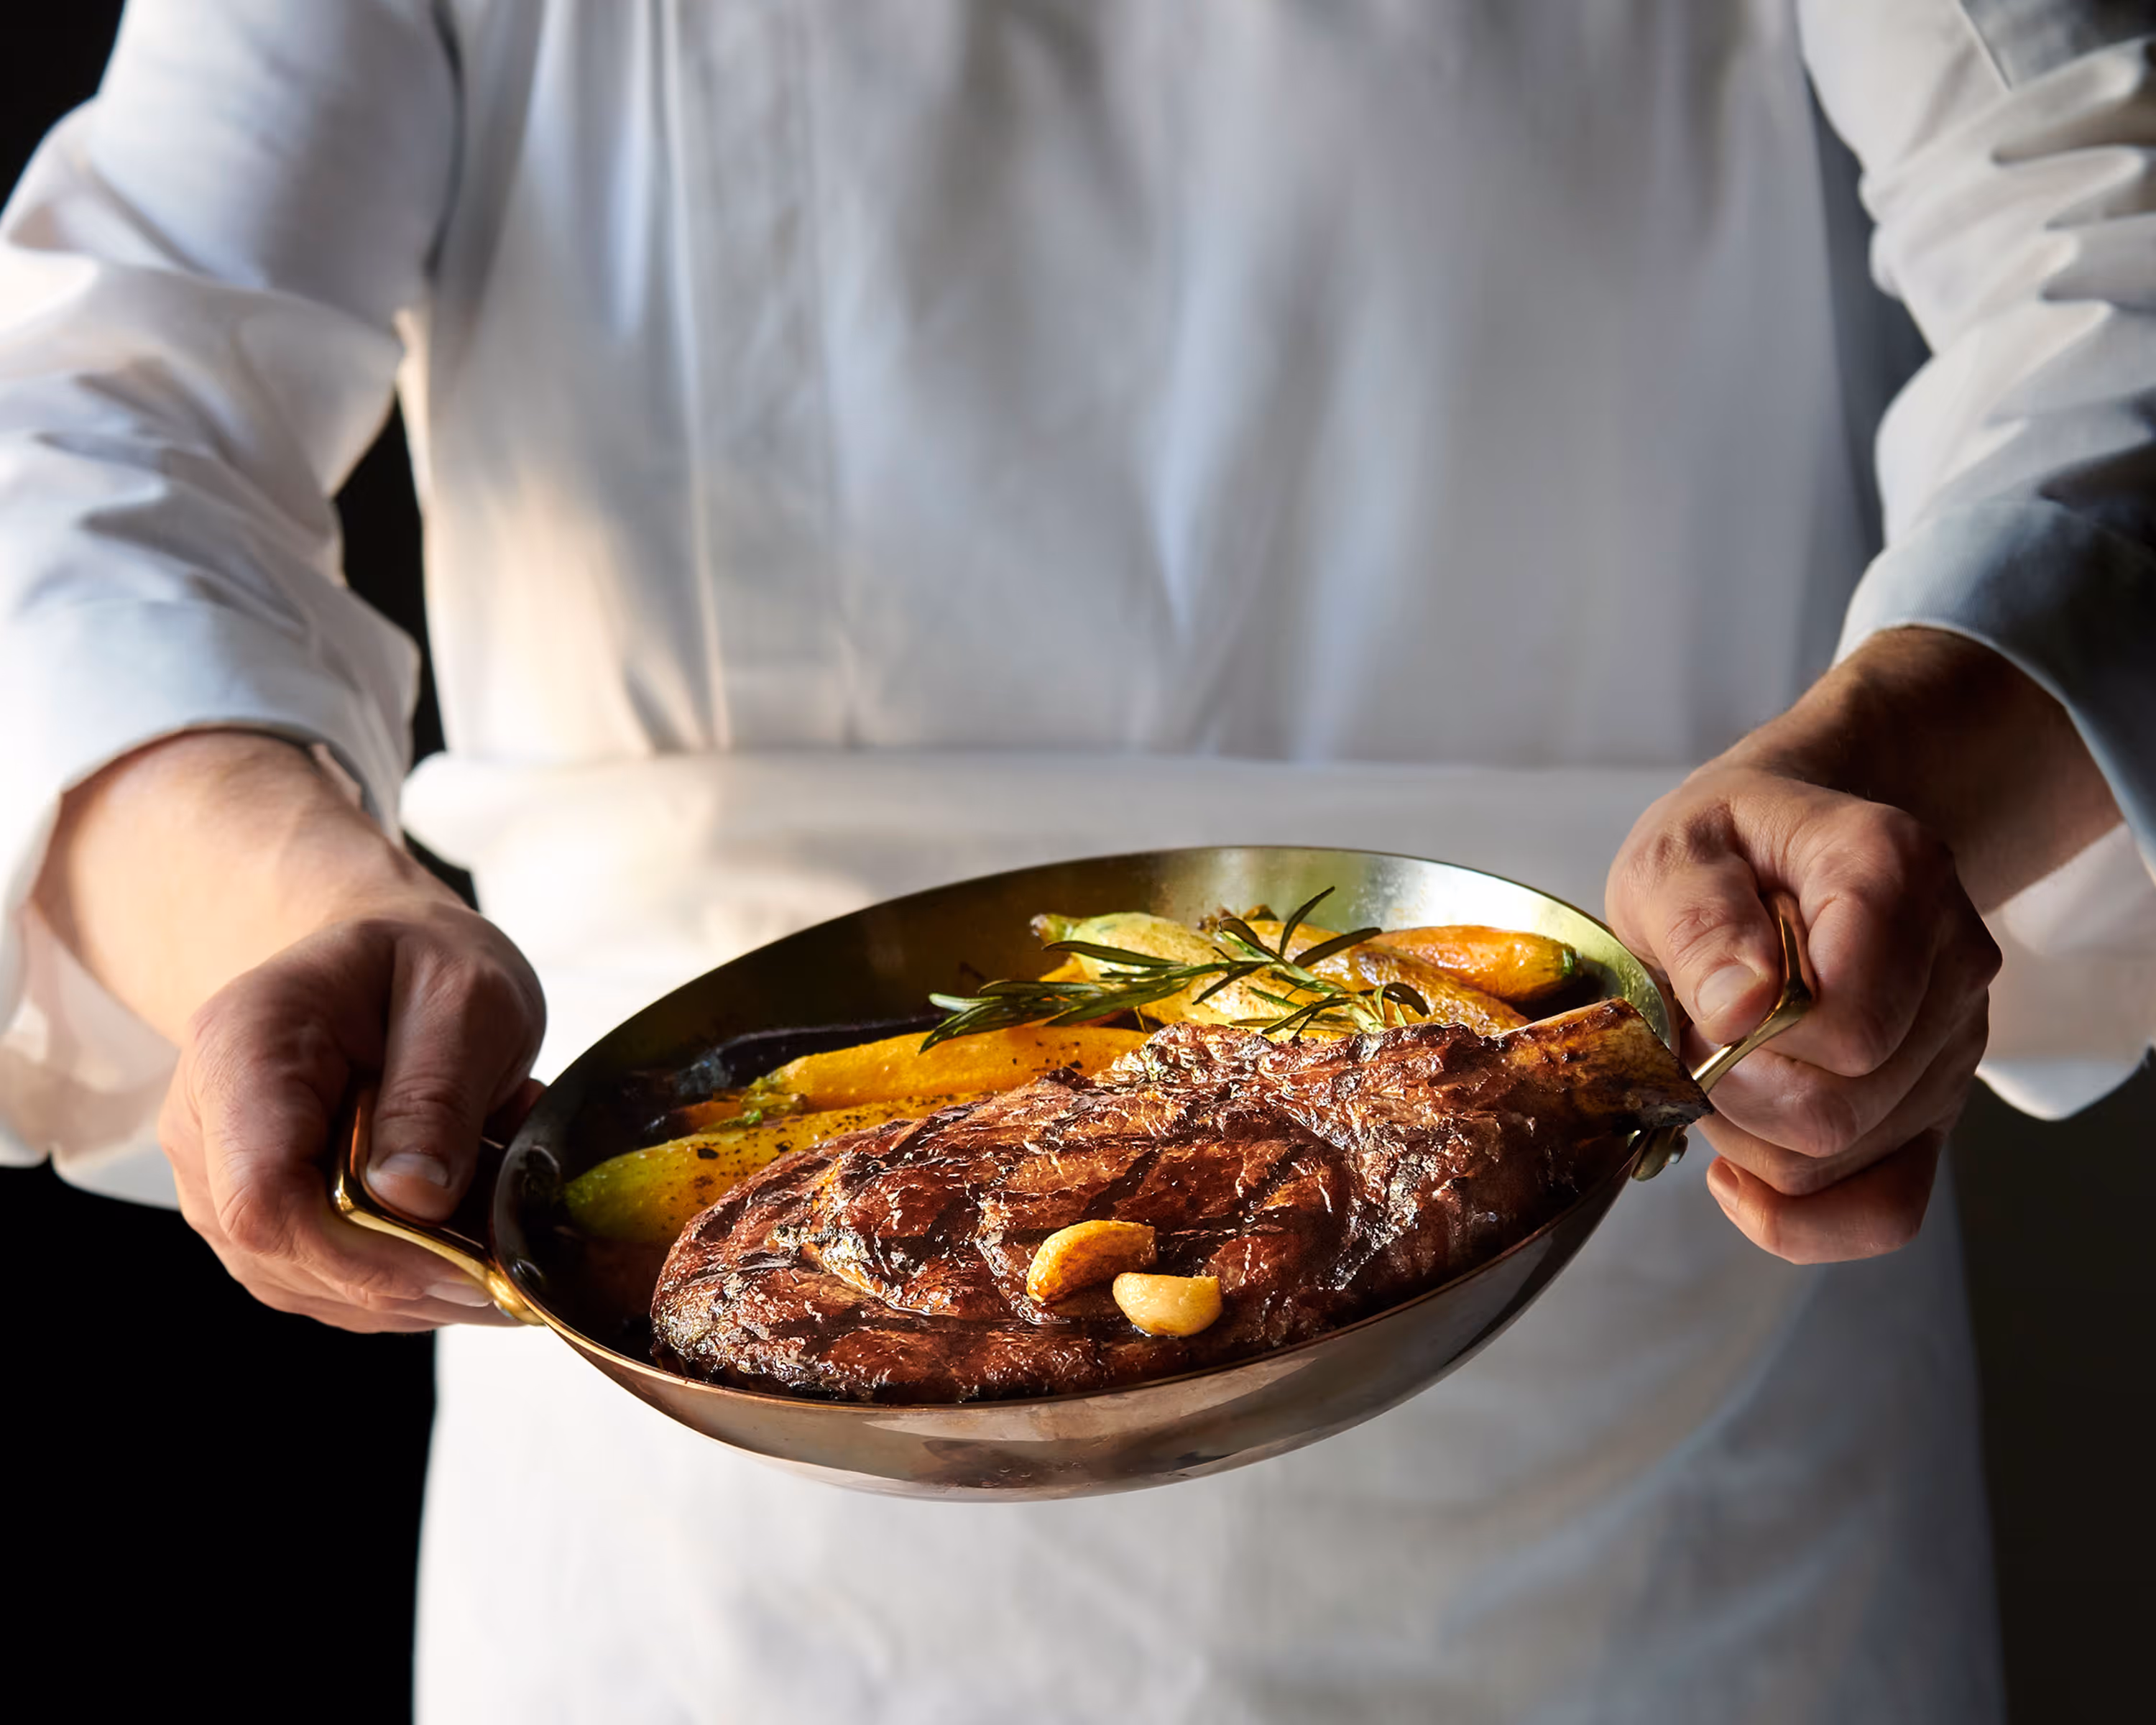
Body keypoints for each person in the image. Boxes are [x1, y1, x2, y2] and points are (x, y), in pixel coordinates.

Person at [3, 2, 2150, 1719]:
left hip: (1660, 1455)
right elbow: (98, 402)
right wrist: (283, 904)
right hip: (715, 1532)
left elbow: (2112, 238)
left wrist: (1889, 773)